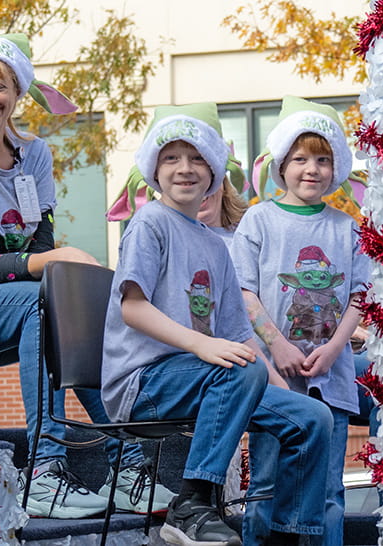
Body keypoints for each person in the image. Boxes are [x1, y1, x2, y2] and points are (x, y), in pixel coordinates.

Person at [0, 34, 167, 518]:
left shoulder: (34, 155)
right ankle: (46, 473)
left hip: (15, 305)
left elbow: (36, 243)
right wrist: (55, 262)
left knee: (71, 302)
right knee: (49, 300)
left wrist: (55, 264)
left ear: (17, 95)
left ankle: (128, 468)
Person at [101, 103, 333, 546]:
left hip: (207, 380)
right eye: (172, 158)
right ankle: (191, 504)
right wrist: (200, 347)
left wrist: (279, 394)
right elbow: (132, 307)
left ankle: (287, 538)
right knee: (239, 368)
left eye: (197, 159)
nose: (185, 169)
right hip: (144, 384)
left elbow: (239, 333)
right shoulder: (149, 222)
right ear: (154, 167)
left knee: (312, 417)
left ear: (214, 172)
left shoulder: (215, 244)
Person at [232, 95, 369, 546]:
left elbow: (360, 296)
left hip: (331, 378)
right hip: (275, 380)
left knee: (328, 492)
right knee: (267, 487)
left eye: (323, 160)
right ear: (281, 166)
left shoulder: (347, 228)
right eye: (301, 158)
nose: (312, 169)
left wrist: (334, 349)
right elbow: (242, 291)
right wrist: (278, 345)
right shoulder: (258, 221)